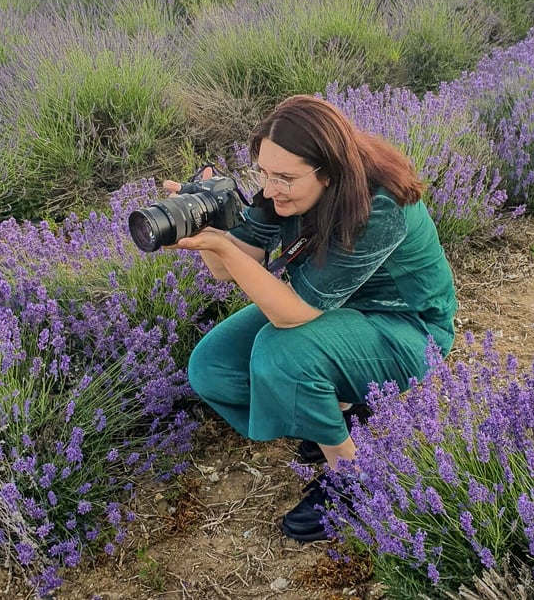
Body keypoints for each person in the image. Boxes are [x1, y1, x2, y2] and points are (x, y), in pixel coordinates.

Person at [162, 94, 457, 543]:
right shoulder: (278, 189)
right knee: (212, 368)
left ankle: (353, 479)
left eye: (285, 178)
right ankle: (336, 407)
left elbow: (291, 314)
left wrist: (223, 245)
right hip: (333, 312)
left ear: (328, 171)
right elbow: (232, 268)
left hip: (407, 328)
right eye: (263, 172)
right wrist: (207, 229)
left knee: (281, 354)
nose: (270, 187)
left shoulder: (380, 205)